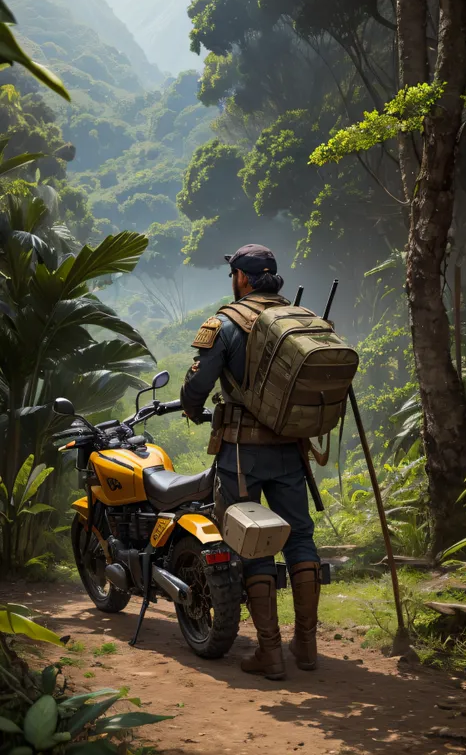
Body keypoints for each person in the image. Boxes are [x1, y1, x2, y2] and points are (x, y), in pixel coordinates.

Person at [180, 244, 321, 681]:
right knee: (299, 538)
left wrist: (191, 406)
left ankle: (270, 652)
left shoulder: (225, 322)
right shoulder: (302, 319)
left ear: (241, 278)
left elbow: (197, 386)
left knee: (257, 543)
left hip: (242, 454)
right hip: (292, 449)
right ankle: (307, 644)